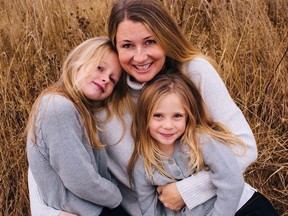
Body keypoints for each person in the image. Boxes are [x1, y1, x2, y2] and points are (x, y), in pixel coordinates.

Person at [28, 0, 259, 215]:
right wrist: (51, 213)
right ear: (117, 48)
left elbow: (245, 147)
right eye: (127, 45)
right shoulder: (104, 95)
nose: (140, 57)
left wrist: (188, 190)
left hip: (229, 203)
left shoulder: (193, 72)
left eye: (150, 41)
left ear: (166, 38)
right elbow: (49, 154)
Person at [128, 73, 279, 216]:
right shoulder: (143, 166)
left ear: (188, 116)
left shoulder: (201, 141)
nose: (168, 125)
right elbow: (150, 211)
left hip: (244, 208)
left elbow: (232, 182)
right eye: (158, 116)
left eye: (177, 116)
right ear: (144, 118)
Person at [26, 37, 127, 216]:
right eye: (100, 68)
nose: (105, 79)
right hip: (85, 211)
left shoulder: (78, 109)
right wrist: (116, 197)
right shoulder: (59, 107)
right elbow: (79, 179)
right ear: (78, 61)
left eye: (112, 79)